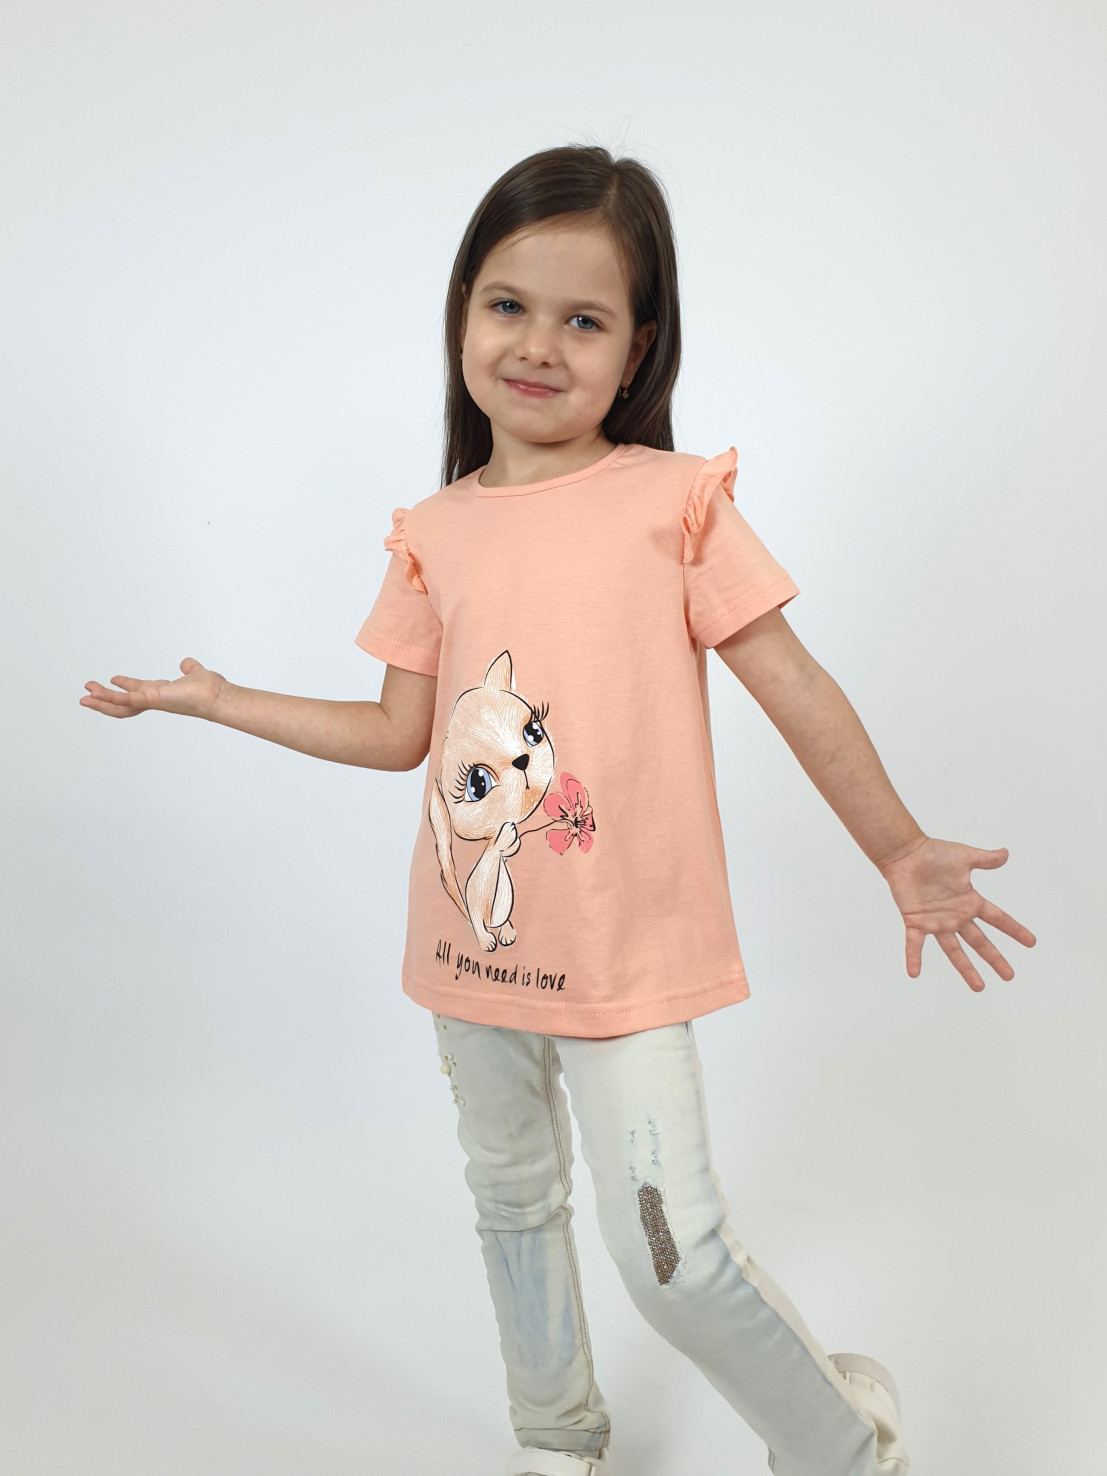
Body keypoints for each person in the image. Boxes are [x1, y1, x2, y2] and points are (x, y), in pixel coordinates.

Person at [80, 143, 1037, 1476]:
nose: (537, 344)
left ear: (638, 349)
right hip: (469, 954)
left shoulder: (673, 506)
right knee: (513, 1205)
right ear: (463, 313)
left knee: (671, 1252)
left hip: (625, 960)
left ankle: (840, 1443)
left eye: (584, 320)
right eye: (508, 305)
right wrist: (223, 700)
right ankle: (557, 1438)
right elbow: (400, 736)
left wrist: (899, 848)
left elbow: (794, 683)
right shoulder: (435, 530)